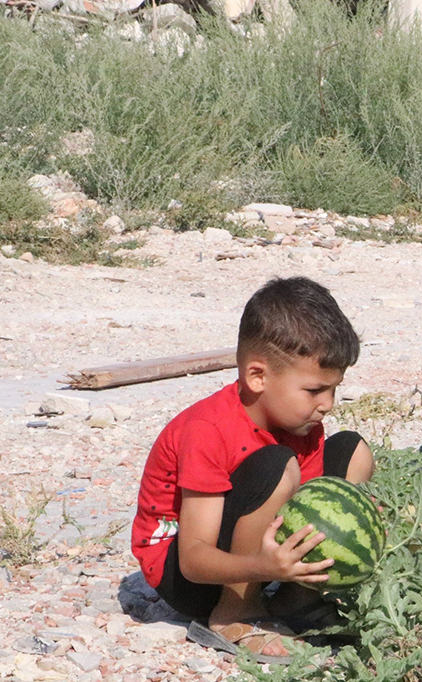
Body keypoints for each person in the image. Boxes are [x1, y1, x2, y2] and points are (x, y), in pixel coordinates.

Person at [130, 277, 373, 663]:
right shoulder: (208, 430)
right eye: (314, 390)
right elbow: (194, 559)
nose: (327, 404)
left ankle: (299, 596)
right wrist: (261, 566)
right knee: (277, 466)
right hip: (187, 574)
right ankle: (235, 611)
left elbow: (308, 505)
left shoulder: (303, 425)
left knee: (352, 450)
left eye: (334, 388)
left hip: (258, 556)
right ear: (257, 376)